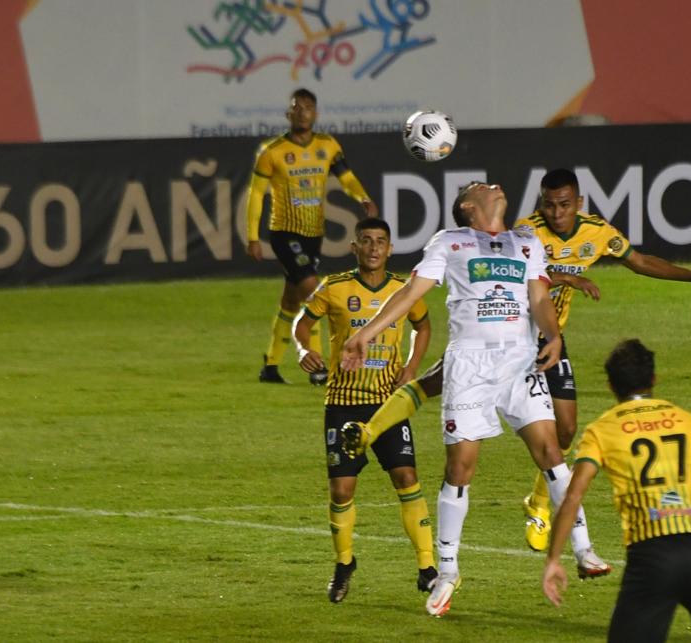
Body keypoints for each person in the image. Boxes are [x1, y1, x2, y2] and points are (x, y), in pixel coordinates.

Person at [341, 168, 691, 551]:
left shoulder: (592, 232)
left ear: (578, 203)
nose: (556, 212)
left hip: (540, 343)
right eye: (549, 204)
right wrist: (566, 278)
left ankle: (548, 514)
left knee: (562, 435)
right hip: (488, 342)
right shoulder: (522, 231)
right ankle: (375, 438)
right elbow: (506, 277)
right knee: (441, 396)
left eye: (563, 205)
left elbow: (639, 262)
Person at [340, 182, 611, 618]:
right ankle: (447, 572)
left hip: (520, 362)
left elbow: (539, 297)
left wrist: (554, 335)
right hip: (469, 366)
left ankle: (584, 549)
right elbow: (411, 293)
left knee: (551, 452)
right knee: (460, 468)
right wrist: (364, 334)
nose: (495, 186)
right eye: (483, 187)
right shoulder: (450, 242)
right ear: (469, 206)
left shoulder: (526, 241)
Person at [543, 339, 691, 643]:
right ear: (653, 380)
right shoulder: (690, 423)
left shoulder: (602, 429)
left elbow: (572, 497)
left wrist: (554, 559)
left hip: (653, 556)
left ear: (610, 385)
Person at [294, 217, 435, 603]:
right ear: (354, 246)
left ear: (390, 249)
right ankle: (344, 563)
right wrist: (305, 350)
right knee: (342, 489)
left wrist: (410, 367)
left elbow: (423, 327)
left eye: (381, 242)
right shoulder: (334, 288)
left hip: (388, 403)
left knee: (406, 476)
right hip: (342, 403)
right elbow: (301, 324)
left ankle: (427, 567)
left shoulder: (405, 290)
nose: (374, 248)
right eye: (367, 241)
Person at [246, 87, 378, 385]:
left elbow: (346, 177)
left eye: (308, 106)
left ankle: (270, 365)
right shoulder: (272, 151)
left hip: (313, 234)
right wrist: (253, 236)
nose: (302, 111)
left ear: (315, 113)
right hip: (284, 232)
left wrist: (363, 198)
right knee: (314, 293)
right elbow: (256, 194)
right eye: (297, 106)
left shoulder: (328, 145)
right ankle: (317, 367)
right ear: (288, 113)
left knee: (291, 300)